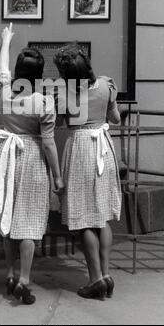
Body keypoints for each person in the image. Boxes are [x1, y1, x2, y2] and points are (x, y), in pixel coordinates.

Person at [0, 23, 65, 305]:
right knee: (29, 222)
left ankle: (9, 273)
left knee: (8, 218)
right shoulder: (43, 102)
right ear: (40, 74)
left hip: (6, 157)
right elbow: (48, 144)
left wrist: (6, 40)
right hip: (32, 160)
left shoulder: (5, 92)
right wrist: (57, 177)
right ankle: (24, 279)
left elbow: (2, 69)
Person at [53, 43, 121, 300]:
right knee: (101, 215)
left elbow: (58, 122)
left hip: (80, 148)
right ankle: (106, 274)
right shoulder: (106, 85)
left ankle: (96, 280)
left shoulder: (64, 93)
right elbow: (115, 120)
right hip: (103, 147)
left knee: (84, 219)